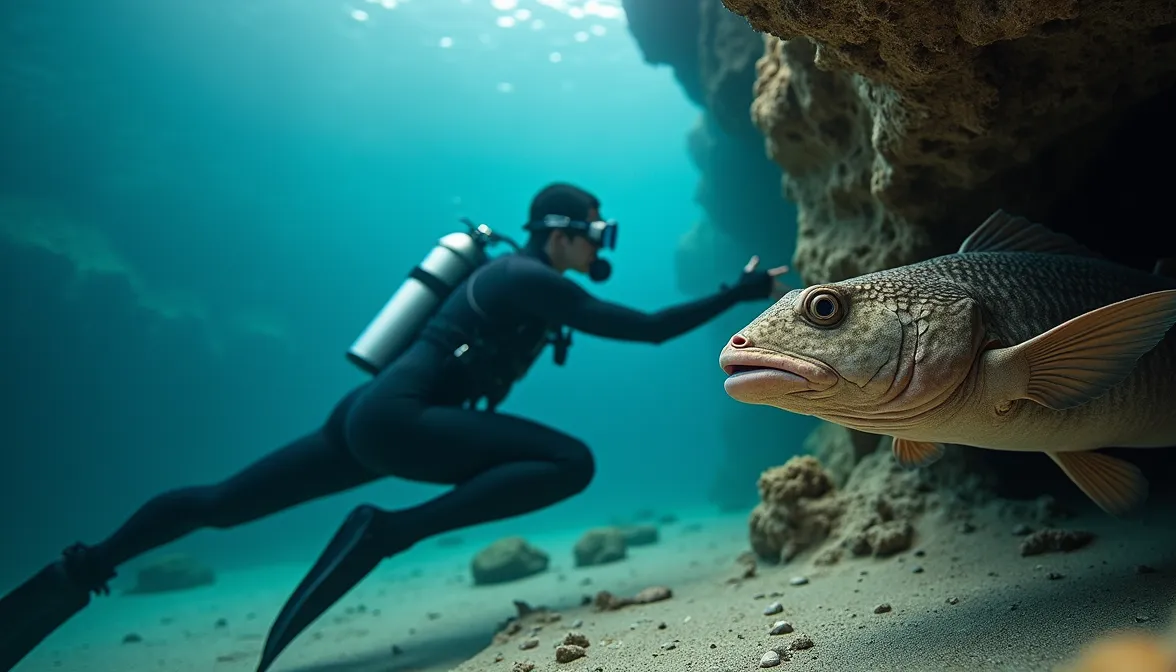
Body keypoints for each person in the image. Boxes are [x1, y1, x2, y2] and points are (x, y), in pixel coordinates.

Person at [0, 182, 789, 672]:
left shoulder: (510, 275)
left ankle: (82, 569)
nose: (599, 246)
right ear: (560, 232)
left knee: (221, 502)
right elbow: (646, 330)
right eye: (597, 231)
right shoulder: (528, 276)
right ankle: (389, 530)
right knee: (570, 462)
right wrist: (737, 292)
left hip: (366, 416)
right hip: (400, 418)